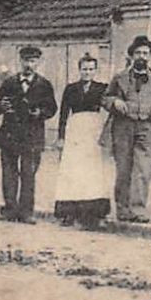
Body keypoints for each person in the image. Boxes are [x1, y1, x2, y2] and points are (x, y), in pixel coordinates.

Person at [105, 34, 151, 223]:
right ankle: (123, 209)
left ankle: (138, 209)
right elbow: (105, 97)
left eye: (146, 53)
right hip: (123, 126)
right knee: (123, 168)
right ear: (131, 56)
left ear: (150, 56)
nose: (142, 56)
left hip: (148, 127)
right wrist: (114, 101)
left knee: (143, 169)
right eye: (138, 53)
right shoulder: (120, 77)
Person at [0, 45, 57, 224]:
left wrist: (40, 113)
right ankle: (10, 209)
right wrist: (1, 106)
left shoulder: (44, 84)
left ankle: (26, 212)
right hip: (10, 134)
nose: (29, 64)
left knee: (28, 174)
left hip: (32, 136)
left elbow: (52, 109)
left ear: (38, 63)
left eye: (33, 61)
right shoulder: (9, 83)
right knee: (9, 173)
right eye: (26, 60)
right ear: (20, 61)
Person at [54, 54, 112, 228]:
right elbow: (64, 114)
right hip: (75, 130)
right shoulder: (70, 89)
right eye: (84, 69)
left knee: (93, 170)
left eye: (91, 69)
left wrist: (107, 134)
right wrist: (61, 137)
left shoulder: (103, 88)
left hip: (94, 129)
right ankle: (69, 212)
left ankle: (94, 213)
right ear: (79, 70)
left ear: (96, 71)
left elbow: (110, 110)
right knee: (72, 170)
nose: (87, 72)